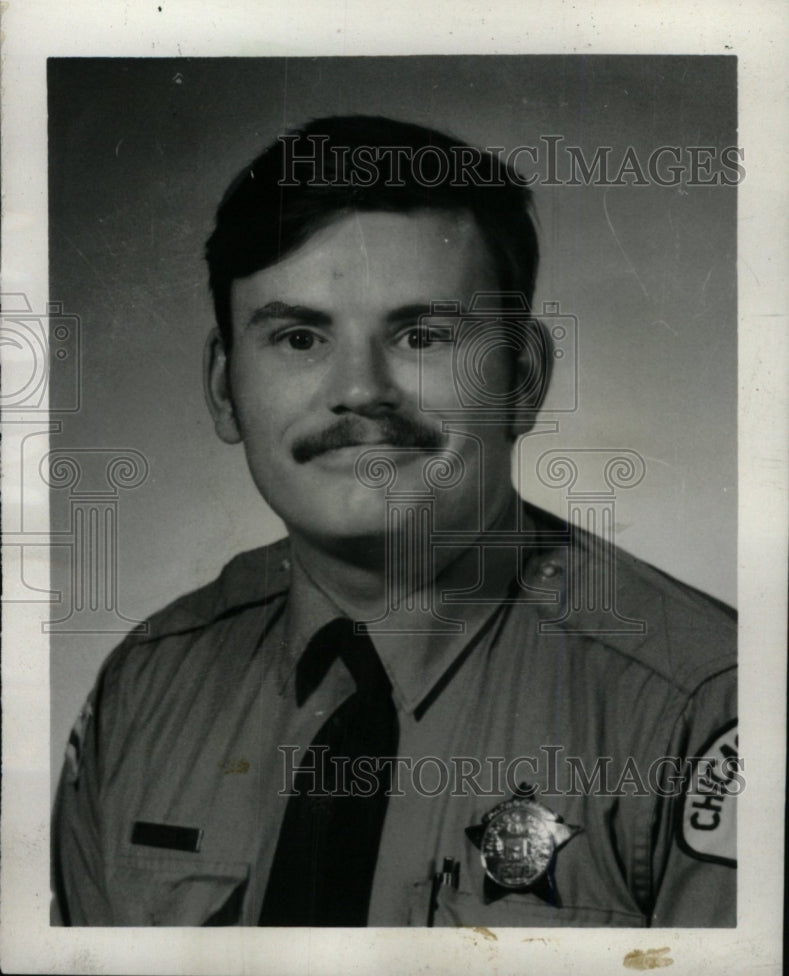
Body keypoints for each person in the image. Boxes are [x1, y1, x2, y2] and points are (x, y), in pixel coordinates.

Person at [52, 115, 737, 927]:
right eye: (299, 336)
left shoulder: (699, 708)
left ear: (522, 376)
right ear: (221, 385)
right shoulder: (148, 689)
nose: (359, 390)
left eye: (420, 334)